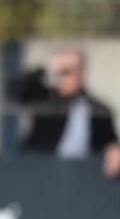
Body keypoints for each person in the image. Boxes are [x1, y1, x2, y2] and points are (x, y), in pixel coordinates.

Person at [10, 46, 120, 177]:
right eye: (60, 71)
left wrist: (113, 151)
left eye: (68, 71)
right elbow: (15, 91)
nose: (63, 77)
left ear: (81, 73)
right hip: (38, 172)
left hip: (80, 177)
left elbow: (109, 144)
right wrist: (46, 67)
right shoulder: (44, 99)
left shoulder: (99, 109)